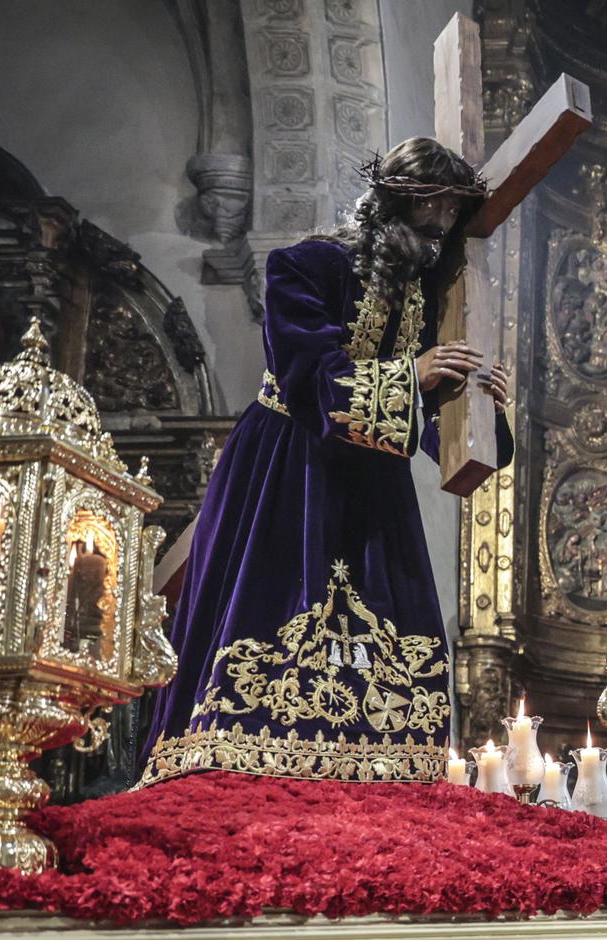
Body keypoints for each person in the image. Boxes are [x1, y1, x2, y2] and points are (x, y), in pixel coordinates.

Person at [141, 137, 514, 785]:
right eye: (439, 209)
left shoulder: (425, 296)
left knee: (381, 635)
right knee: (274, 610)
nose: (445, 228)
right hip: (288, 468)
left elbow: (442, 442)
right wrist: (413, 374)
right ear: (403, 198)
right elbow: (309, 378)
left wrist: (483, 412)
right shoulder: (304, 266)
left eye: (456, 214)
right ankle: (243, 762)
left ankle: (379, 770)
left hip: (373, 487)